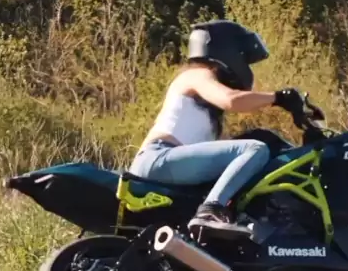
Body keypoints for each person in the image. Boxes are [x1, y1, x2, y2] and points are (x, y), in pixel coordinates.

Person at [128, 19, 304, 234]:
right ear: (228, 51)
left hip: (167, 163)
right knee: (254, 149)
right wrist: (278, 98)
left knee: (249, 156)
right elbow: (232, 100)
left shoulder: (208, 109)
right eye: (244, 59)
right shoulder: (197, 74)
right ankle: (210, 211)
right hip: (158, 157)